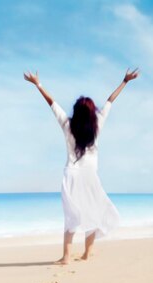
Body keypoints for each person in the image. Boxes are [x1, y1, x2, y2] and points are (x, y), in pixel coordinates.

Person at [24, 68, 139, 264]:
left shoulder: (68, 125)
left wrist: (38, 84)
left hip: (71, 175)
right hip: (90, 176)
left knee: (71, 217)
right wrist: (125, 81)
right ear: (93, 113)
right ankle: (87, 253)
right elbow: (110, 101)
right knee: (92, 214)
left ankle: (66, 257)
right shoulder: (98, 125)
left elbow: (52, 104)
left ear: (76, 112)